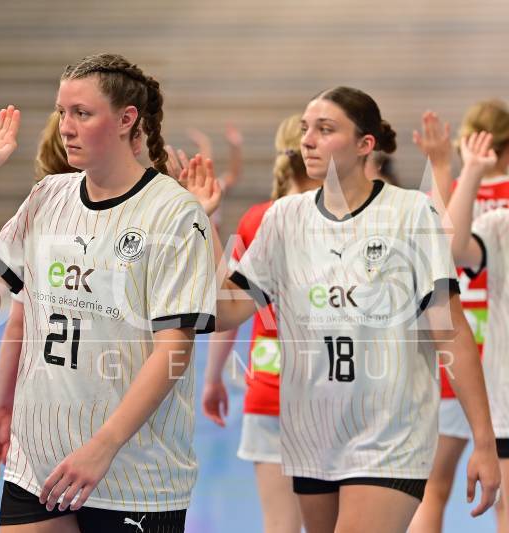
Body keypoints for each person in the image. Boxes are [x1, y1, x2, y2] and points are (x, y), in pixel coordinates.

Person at [210, 86, 499, 533]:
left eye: (325, 129)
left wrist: (484, 439)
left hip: (389, 438)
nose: (308, 140)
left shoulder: (410, 213)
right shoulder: (283, 218)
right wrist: (202, 222)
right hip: (312, 436)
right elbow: (225, 311)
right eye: (305, 129)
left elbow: (450, 331)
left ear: (365, 144)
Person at [0, 53, 216, 532]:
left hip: (133, 472)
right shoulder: (47, 196)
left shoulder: (174, 212)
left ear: (126, 119)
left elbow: (174, 351)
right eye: (62, 112)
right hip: (37, 465)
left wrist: (103, 445)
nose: (66, 127)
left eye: (82, 113)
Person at [202, 114, 314, 533]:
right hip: (335, 394)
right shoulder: (344, 219)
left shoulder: (257, 220)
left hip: (269, 390)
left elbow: (229, 310)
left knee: (279, 525)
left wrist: (212, 379)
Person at [409, 101, 509, 533]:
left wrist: (442, 167)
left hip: (456, 349)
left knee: (434, 487)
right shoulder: (498, 212)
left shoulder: (453, 195)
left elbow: (439, 246)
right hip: (490, 351)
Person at [0, 110, 78, 480]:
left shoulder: (45, 215)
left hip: (63, 420)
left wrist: (1, 407)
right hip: (50, 424)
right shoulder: (42, 210)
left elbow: (15, 324)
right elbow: (7, 316)